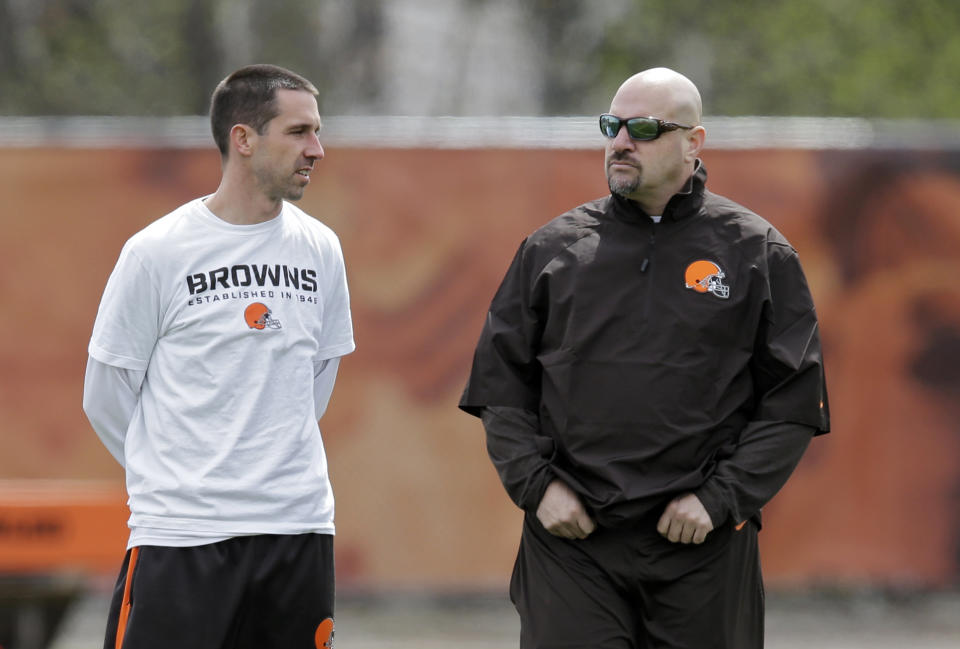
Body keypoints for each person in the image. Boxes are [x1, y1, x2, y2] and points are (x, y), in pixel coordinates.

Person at [459, 67, 829, 649]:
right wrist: (536, 487)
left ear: (693, 143)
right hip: (574, 543)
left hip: (700, 544)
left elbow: (793, 405)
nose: (621, 142)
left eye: (645, 128)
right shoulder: (552, 250)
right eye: (612, 126)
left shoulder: (757, 251)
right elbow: (500, 390)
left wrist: (719, 499)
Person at [82, 64, 354, 649]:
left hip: (297, 529)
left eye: (317, 131)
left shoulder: (321, 249)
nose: (318, 149)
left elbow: (314, 382)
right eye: (299, 131)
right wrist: (177, 478)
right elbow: (106, 393)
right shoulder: (156, 252)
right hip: (182, 536)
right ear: (244, 138)